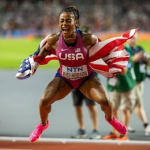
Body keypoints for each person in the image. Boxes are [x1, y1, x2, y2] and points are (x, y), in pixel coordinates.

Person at [16, 6, 137, 142]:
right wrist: (36, 62)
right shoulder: (54, 40)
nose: (64, 24)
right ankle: (43, 125)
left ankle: (111, 119)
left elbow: (103, 50)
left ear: (76, 23)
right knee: (44, 101)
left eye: (68, 21)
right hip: (64, 78)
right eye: (62, 21)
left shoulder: (88, 39)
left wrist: (113, 64)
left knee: (106, 102)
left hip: (85, 78)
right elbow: (44, 50)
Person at [71, 26, 101, 139]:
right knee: (77, 105)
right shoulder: (75, 48)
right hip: (75, 81)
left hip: (89, 82)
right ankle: (81, 129)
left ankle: (95, 130)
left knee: (91, 105)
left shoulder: (95, 49)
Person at [125, 33, 150, 135]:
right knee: (138, 104)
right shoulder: (125, 50)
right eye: (130, 39)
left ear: (137, 39)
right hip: (131, 81)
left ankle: (124, 125)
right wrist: (139, 56)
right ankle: (146, 125)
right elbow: (131, 60)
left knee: (131, 104)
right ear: (127, 40)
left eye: (134, 38)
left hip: (140, 80)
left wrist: (146, 58)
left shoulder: (140, 48)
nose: (133, 40)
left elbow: (148, 62)